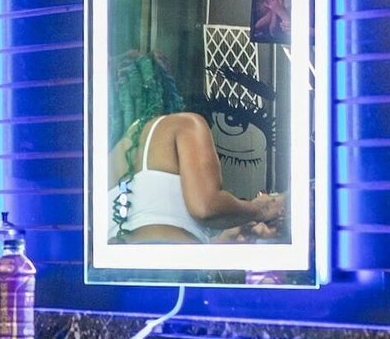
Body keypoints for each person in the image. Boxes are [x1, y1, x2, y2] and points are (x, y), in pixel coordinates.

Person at [106, 52, 279, 243]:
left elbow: (152, 226)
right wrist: (260, 209)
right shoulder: (183, 125)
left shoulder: (106, 158)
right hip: (172, 260)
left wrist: (225, 236)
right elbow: (206, 208)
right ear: (163, 89)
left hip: (119, 261)